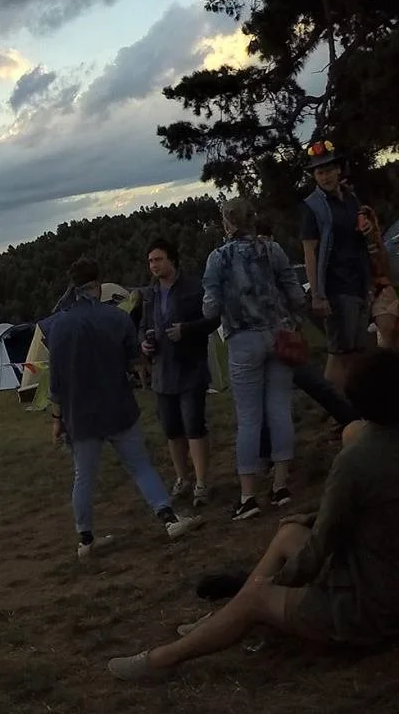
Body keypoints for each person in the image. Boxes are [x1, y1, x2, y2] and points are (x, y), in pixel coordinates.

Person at [111, 348, 399, 679]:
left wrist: (272, 585)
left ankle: (162, 660)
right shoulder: (373, 450)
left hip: (370, 609)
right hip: (381, 573)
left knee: (258, 596)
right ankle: (229, 615)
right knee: (289, 534)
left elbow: (322, 547)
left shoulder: (357, 462)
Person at [44, 257, 199, 556]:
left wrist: (56, 417)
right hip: (118, 407)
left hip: (81, 413)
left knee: (83, 476)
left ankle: (86, 540)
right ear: (98, 284)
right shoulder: (117, 318)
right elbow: (134, 361)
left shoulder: (58, 326)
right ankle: (168, 517)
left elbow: (57, 377)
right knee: (140, 465)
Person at [204, 200, 315, 518]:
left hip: (243, 339)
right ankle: (281, 486)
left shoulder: (218, 259)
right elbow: (294, 292)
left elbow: (210, 309)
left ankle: (248, 496)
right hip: (279, 333)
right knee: (280, 409)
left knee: (249, 418)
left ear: (227, 223)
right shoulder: (274, 250)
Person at [142, 237, 212, 506]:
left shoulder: (194, 287)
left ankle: (202, 482)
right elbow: (143, 326)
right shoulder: (149, 294)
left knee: (194, 425)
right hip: (162, 370)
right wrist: (144, 343)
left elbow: (210, 319)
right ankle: (183, 478)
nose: (154, 265)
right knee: (172, 429)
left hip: (190, 367)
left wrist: (186, 330)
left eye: (158, 259)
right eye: (150, 261)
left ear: (171, 259)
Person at [301, 141, 374, 391]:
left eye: (329, 169)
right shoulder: (312, 206)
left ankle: (354, 406)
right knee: (339, 353)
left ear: (339, 170)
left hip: (358, 282)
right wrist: (318, 295)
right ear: (314, 176)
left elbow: (360, 231)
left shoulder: (350, 197)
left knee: (355, 350)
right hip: (335, 288)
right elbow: (309, 251)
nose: (326, 176)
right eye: (320, 172)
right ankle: (338, 411)